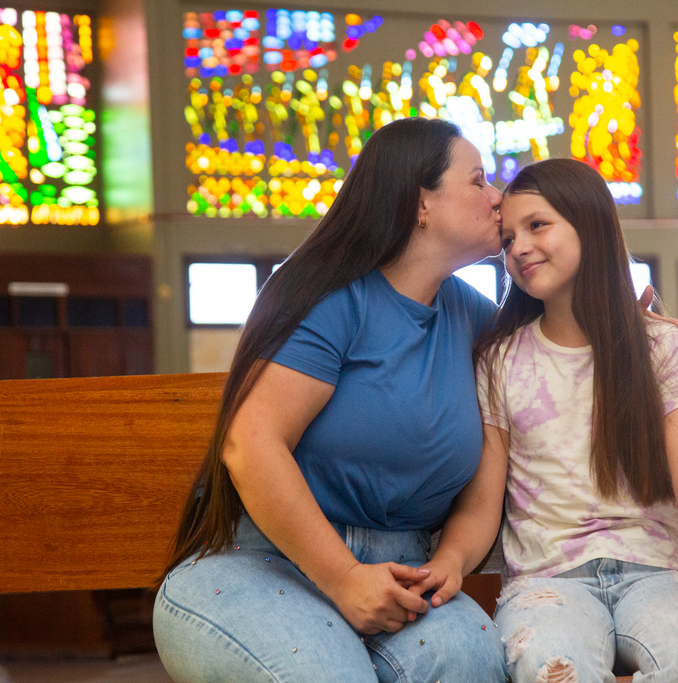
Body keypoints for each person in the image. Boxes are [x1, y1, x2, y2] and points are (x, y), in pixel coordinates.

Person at [152, 118, 509, 682]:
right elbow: (251, 443)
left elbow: (569, 345)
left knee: (472, 661)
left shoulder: (475, 320)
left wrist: (637, 325)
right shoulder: (329, 295)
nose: (498, 200)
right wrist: (343, 577)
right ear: (422, 203)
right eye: (480, 181)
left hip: (406, 569)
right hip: (261, 559)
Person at [407, 158, 678, 683]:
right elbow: (484, 501)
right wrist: (451, 559)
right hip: (547, 582)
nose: (519, 247)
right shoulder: (500, 359)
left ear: (590, 222)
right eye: (507, 239)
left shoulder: (660, 345)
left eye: (537, 225)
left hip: (659, 573)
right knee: (554, 670)